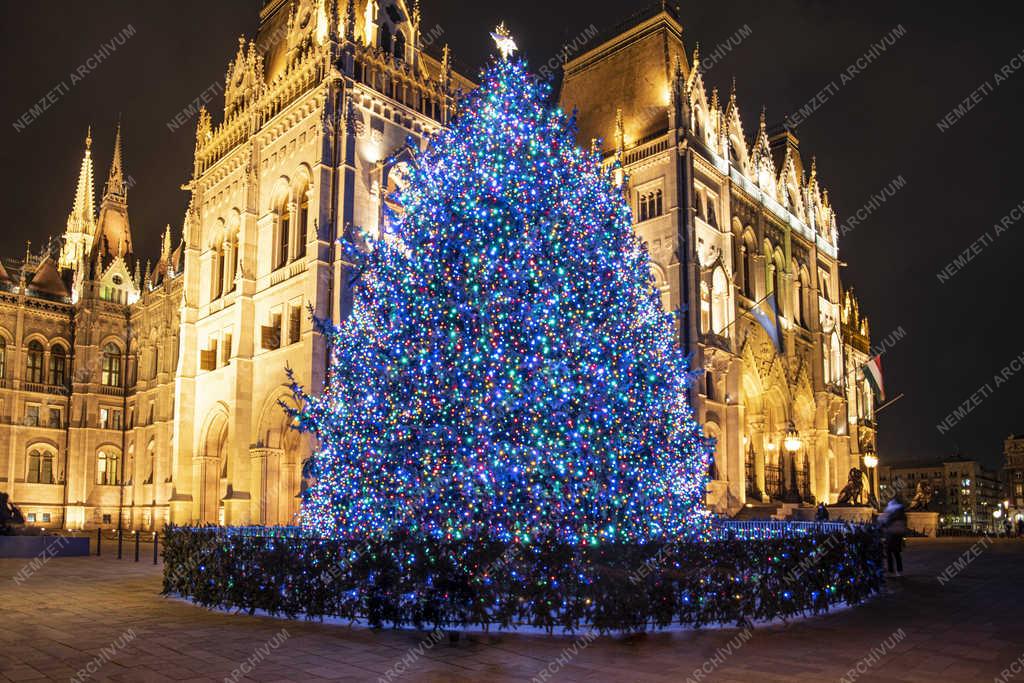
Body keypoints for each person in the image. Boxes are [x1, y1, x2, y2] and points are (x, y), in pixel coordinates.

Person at [878, 499, 907, 576]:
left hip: (891, 535)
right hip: (898, 535)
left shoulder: (891, 513)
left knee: (889, 553)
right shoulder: (901, 513)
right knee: (896, 554)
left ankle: (891, 570)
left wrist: (882, 523)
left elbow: (884, 521)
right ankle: (899, 570)